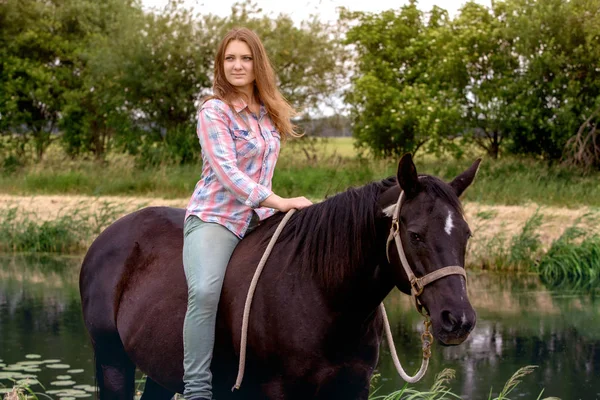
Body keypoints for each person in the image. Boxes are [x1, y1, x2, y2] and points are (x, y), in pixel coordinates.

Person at [182, 27, 313, 400]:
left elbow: (263, 168)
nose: (237, 66)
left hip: (262, 221)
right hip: (217, 218)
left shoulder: (269, 114)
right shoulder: (214, 111)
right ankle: (196, 389)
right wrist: (280, 201)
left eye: (245, 58)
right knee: (205, 292)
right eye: (230, 58)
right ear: (220, 66)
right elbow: (228, 175)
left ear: (258, 63)